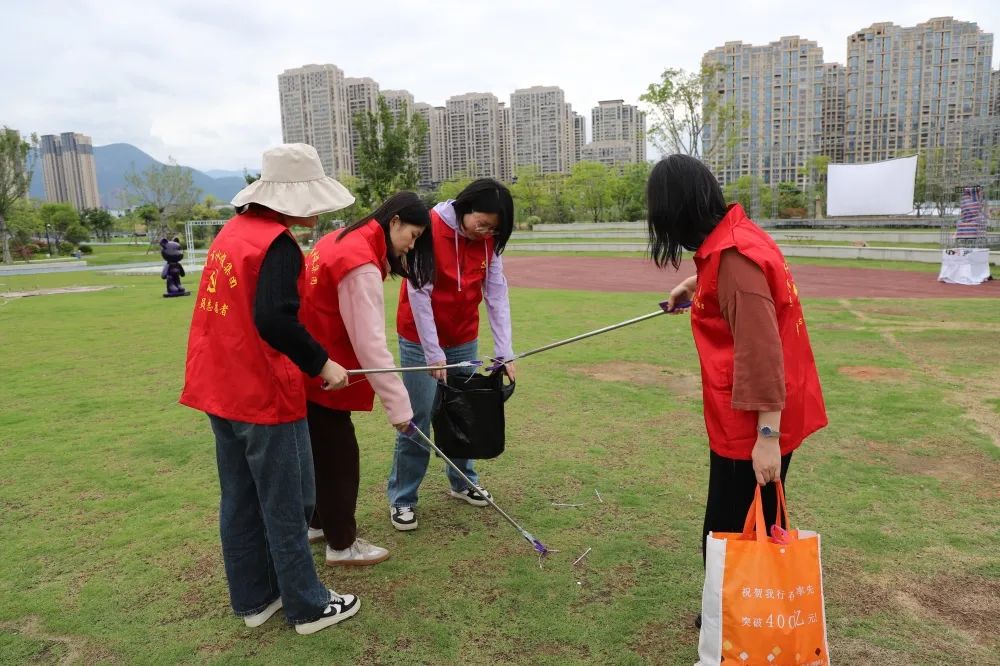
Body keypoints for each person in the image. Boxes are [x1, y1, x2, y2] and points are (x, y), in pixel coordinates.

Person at [179, 144, 361, 635]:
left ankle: (254, 599)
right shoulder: (277, 245)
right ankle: (306, 605)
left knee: (239, 498)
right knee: (290, 503)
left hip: (220, 388)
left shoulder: (231, 234)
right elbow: (273, 320)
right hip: (262, 394)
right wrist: (323, 363)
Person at [645, 154, 827, 626]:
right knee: (754, 522)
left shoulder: (735, 261)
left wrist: (767, 440)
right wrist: (694, 283)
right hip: (753, 416)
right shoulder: (737, 237)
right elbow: (736, 293)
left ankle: (736, 626)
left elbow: (763, 353)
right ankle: (741, 618)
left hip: (752, 424)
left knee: (728, 529)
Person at [300, 192, 435, 565]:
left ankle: (317, 523)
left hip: (310, 368)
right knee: (339, 460)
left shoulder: (338, 239)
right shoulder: (358, 261)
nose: (412, 244)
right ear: (394, 222)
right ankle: (341, 543)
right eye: (413, 234)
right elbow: (371, 344)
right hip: (324, 375)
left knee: (322, 454)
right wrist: (401, 409)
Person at [386, 178, 515, 531]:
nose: (485, 232)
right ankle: (403, 498)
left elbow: (496, 293)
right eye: (482, 223)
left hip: (463, 338)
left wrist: (505, 351)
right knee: (418, 416)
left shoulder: (488, 243)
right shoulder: (429, 227)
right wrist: (433, 352)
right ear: (466, 207)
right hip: (419, 340)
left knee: (462, 411)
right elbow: (419, 293)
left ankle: (463, 481)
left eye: (493, 229)